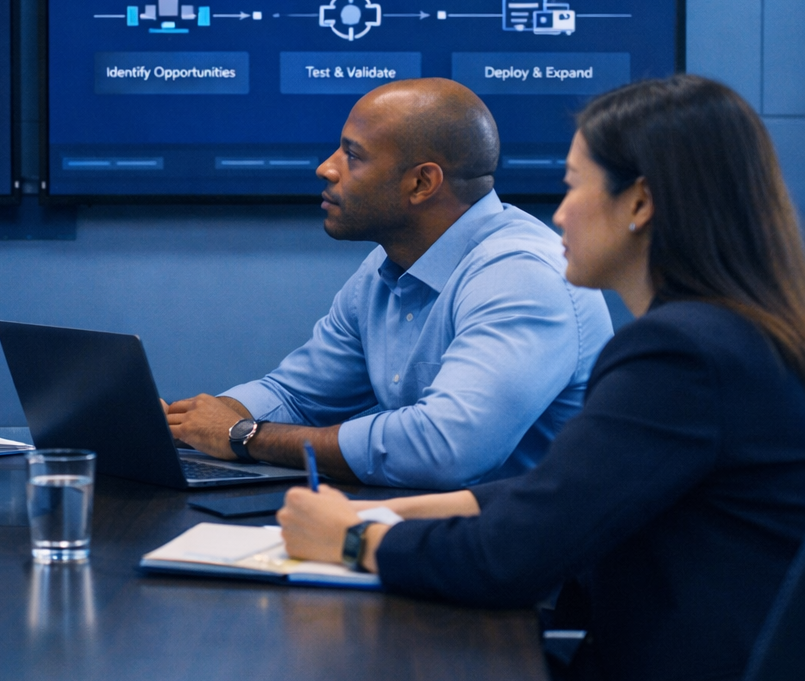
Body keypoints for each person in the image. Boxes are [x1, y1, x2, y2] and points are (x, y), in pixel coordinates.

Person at [278, 75, 805, 681]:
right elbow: (558, 494)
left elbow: (507, 558)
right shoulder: (733, 335)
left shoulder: (678, 355)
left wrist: (353, 539)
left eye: (573, 186)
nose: (558, 215)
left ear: (639, 203)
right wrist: (377, 513)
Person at [167, 78, 612, 488]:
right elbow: (296, 396)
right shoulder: (385, 266)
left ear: (421, 183)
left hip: (524, 545)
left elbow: (443, 449)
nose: (326, 168)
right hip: (426, 528)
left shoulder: (521, 275)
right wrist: (181, 425)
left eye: (352, 156)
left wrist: (244, 434)